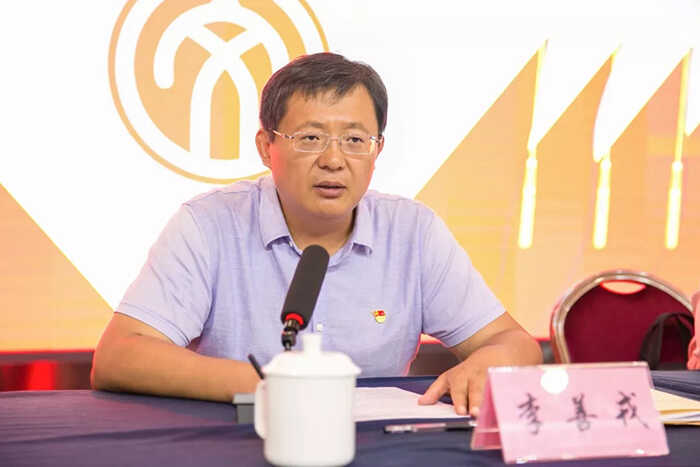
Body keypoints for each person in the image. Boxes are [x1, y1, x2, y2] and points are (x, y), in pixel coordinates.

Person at [91, 52, 542, 416]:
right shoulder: (209, 225)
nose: (333, 160)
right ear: (266, 146)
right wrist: (268, 386)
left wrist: (489, 362)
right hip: (245, 439)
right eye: (310, 138)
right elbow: (119, 356)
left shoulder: (413, 232)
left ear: (377, 149)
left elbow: (515, 343)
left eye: (355, 140)